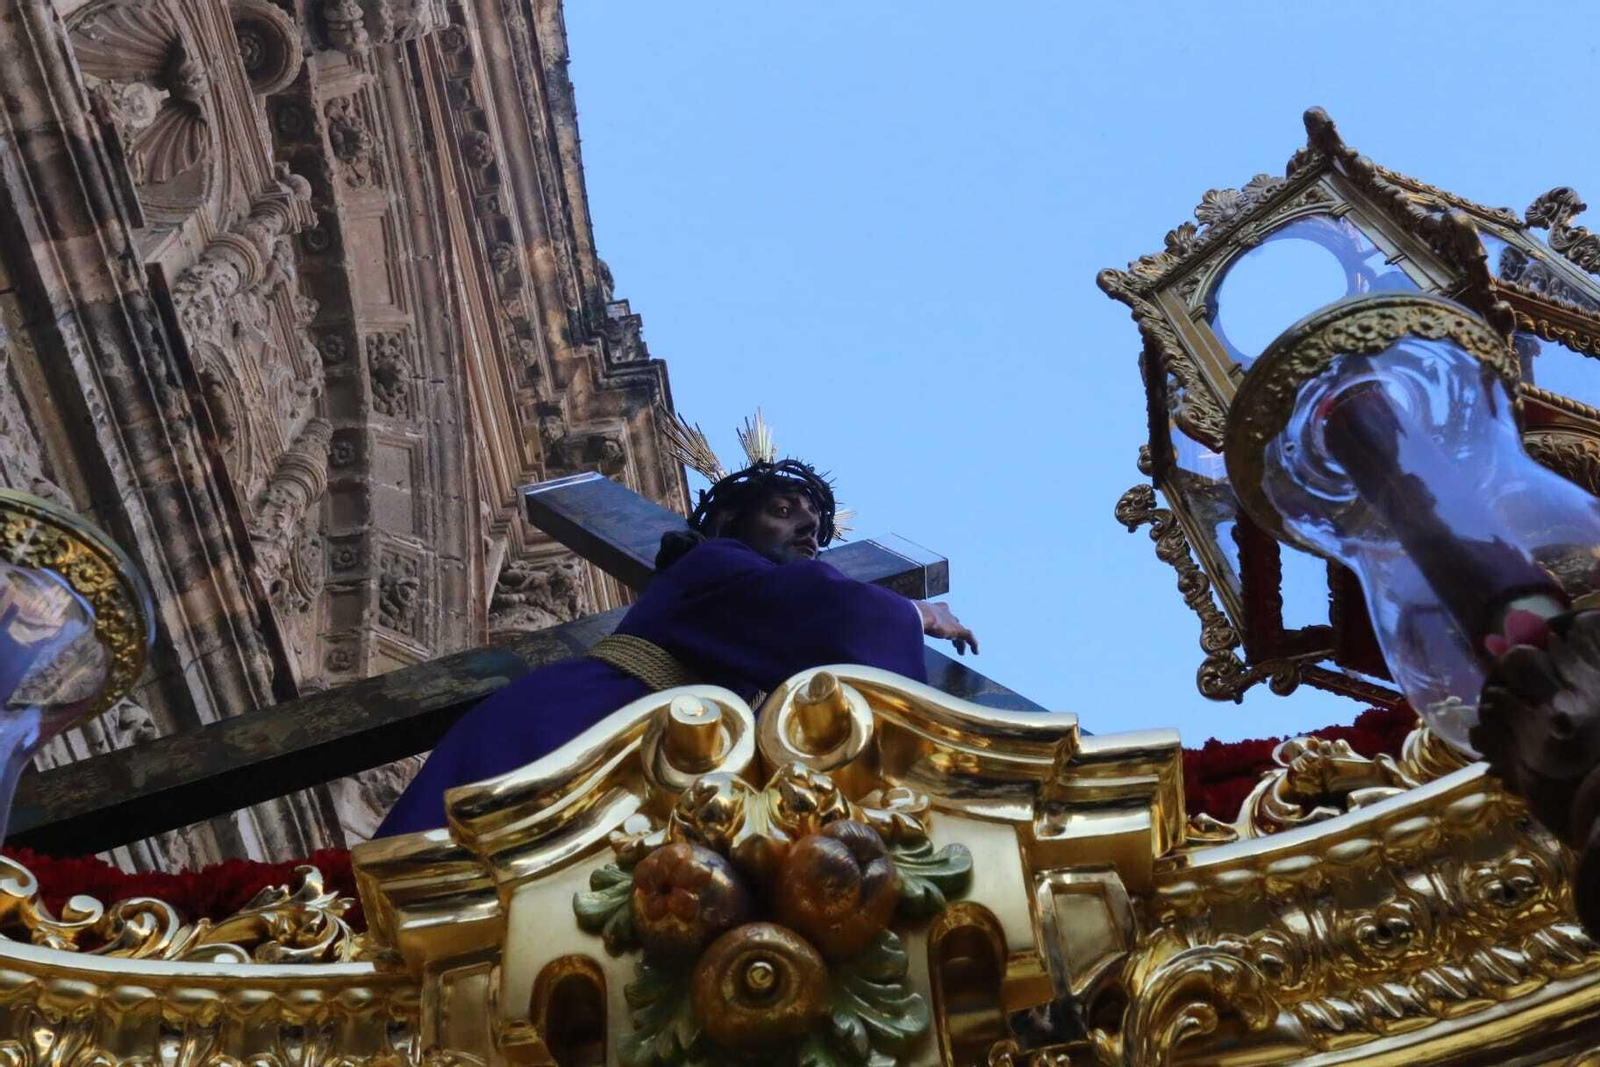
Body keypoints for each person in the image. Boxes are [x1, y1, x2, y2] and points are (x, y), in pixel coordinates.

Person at [375, 457, 977, 837]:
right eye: (783, 510)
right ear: (732, 524)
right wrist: (916, 613)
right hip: (580, 726)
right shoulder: (714, 564)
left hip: (656, 753)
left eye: (816, 524)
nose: (807, 529)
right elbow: (820, 608)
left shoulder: (752, 613)